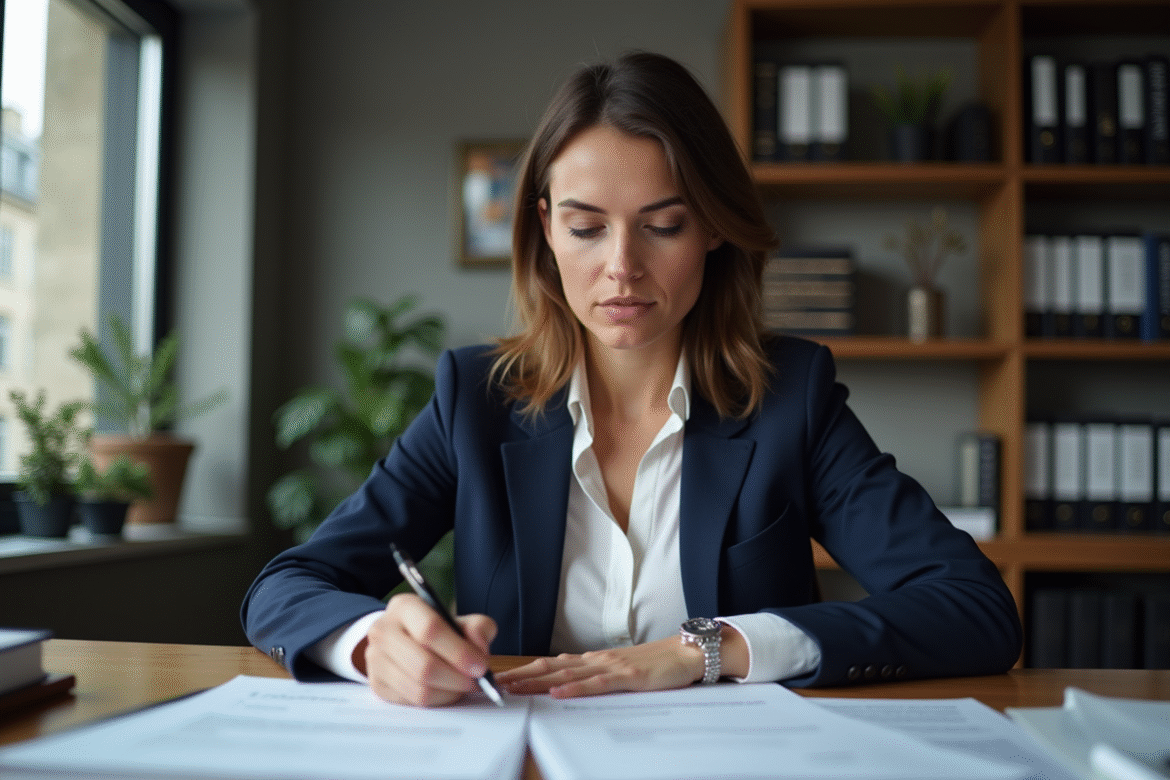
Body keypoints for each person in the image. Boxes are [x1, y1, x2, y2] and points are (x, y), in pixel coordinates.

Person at [241, 51, 1022, 707]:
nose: (621, 268)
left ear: (713, 225)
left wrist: (709, 649)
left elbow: (977, 610)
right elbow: (288, 586)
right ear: (545, 228)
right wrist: (376, 642)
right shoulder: (473, 400)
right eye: (586, 228)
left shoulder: (793, 398)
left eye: (663, 225)